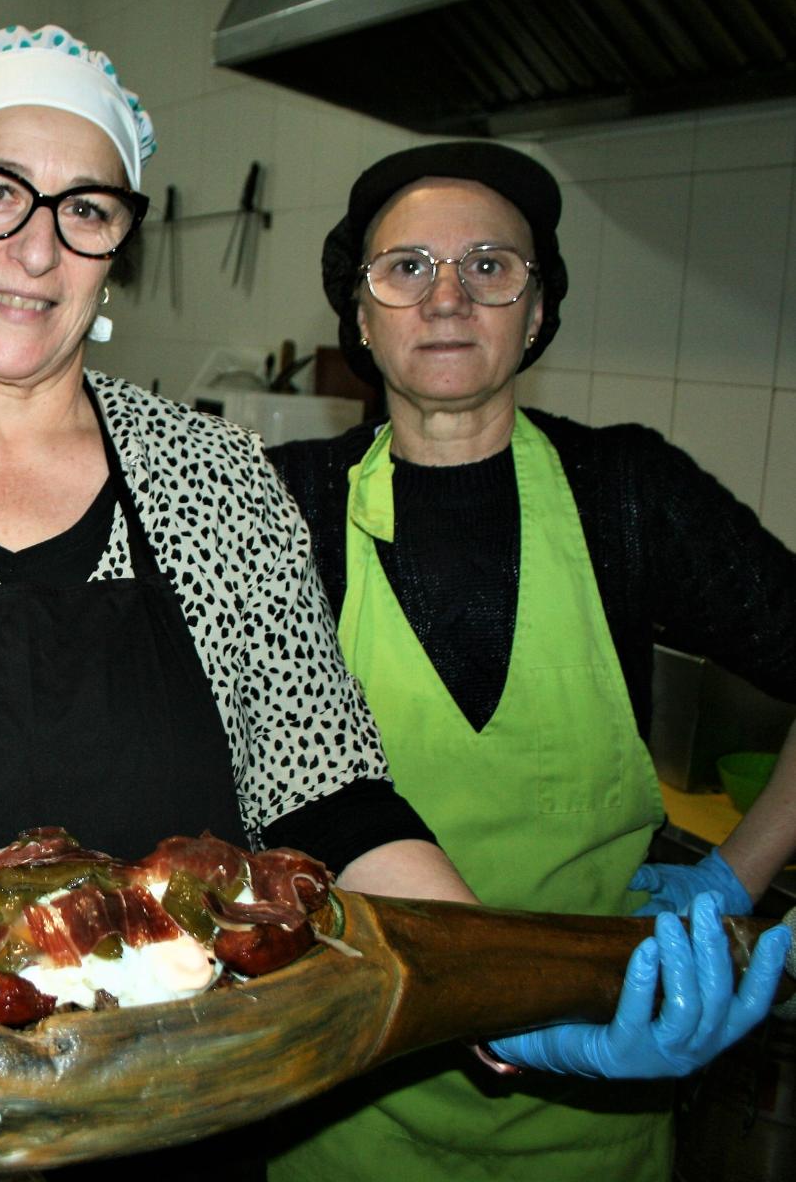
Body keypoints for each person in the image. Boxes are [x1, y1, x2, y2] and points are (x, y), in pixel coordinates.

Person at [0, 29, 789, 1178]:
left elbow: (333, 795)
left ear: (116, 247)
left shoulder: (215, 481)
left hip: (177, 1134)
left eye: (84, 210)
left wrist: (510, 1000)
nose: (35, 248)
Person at [263, 140, 796, 1181]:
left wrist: (737, 871)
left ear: (536, 311)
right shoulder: (286, 505)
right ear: (360, 317)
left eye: (489, 266)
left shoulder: (629, 497)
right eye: (405, 267)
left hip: (592, 1084)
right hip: (338, 1092)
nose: (446, 296)